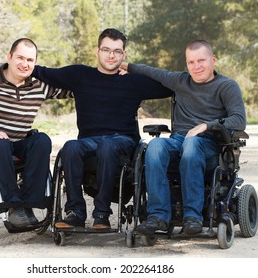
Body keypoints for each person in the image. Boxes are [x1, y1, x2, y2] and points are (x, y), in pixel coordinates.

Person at [31, 28, 173, 229]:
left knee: (108, 145)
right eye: (106, 50)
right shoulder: (80, 75)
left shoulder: (133, 82)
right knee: (70, 146)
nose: (111, 55)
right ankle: (76, 212)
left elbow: (170, 83)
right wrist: (3, 67)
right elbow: (44, 72)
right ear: (97, 51)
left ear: (123, 55)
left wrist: (133, 68)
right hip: (89, 139)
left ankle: (102, 214)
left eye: (117, 51)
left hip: (123, 140)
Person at [120, 40, 246, 235]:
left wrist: (206, 126)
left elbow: (239, 120)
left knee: (192, 144)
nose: (196, 67)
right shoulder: (181, 81)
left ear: (213, 60)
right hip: (179, 140)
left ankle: (193, 216)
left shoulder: (227, 86)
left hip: (211, 143)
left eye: (201, 61)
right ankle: (158, 216)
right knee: (155, 145)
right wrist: (123, 66)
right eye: (191, 62)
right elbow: (151, 71)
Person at [0, 38, 72, 228]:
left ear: (35, 63)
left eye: (30, 60)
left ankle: (30, 204)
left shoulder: (39, 85)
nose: (24, 64)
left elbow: (75, 90)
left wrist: (110, 76)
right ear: (9, 57)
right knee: (1, 143)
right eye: (20, 58)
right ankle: (14, 206)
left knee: (42, 140)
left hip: (18, 142)